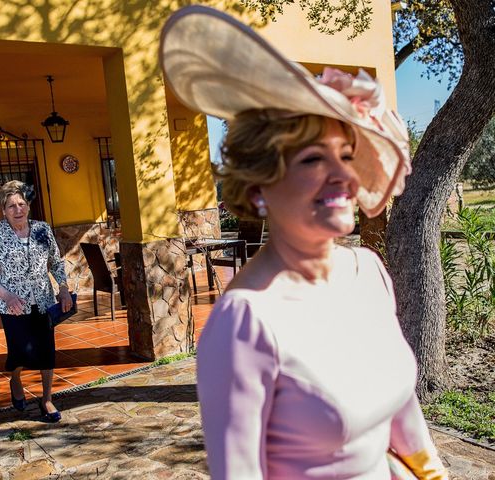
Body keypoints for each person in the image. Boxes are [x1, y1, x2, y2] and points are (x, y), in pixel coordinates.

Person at [160, 6, 447, 480]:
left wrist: (434, 474)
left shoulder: (369, 271)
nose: (343, 176)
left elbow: (403, 413)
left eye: (348, 155)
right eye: (314, 159)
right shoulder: (244, 322)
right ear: (258, 186)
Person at [0, 180, 72, 423]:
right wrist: (6, 296)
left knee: (47, 351)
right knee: (21, 353)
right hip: (13, 304)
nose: (18, 210)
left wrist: (64, 289)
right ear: (3, 210)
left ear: (28, 205)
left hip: (43, 300)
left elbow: (56, 262)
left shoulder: (42, 228)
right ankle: (15, 378)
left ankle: (47, 399)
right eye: (11, 206)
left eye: (21, 204)